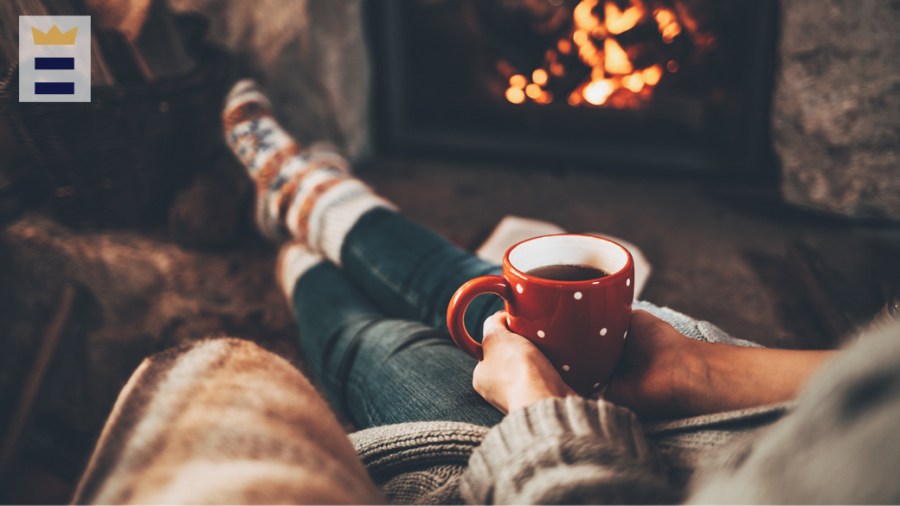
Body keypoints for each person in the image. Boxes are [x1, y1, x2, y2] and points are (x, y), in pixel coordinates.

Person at [73, 80, 900, 504]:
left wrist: (541, 406)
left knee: (383, 342)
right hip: (711, 403)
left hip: (555, 469)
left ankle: (298, 238)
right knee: (470, 290)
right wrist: (703, 371)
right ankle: (307, 197)